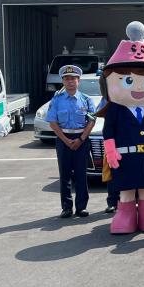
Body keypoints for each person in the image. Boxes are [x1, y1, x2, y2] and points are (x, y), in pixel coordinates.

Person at [99, 22, 144, 234]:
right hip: (124, 157)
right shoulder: (116, 109)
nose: (139, 87)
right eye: (128, 80)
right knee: (127, 189)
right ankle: (126, 213)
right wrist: (110, 151)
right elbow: (108, 130)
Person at [46, 65, 96, 218]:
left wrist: (80, 139)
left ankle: (81, 207)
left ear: (78, 80)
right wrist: (66, 140)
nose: (70, 82)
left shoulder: (86, 100)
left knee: (81, 174)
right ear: (63, 81)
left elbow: (92, 121)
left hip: (81, 139)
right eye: (67, 79)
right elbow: (52, 122)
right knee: (65, 175)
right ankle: (66, 207)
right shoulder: (56, 100)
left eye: (73, 78)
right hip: (63, 139)